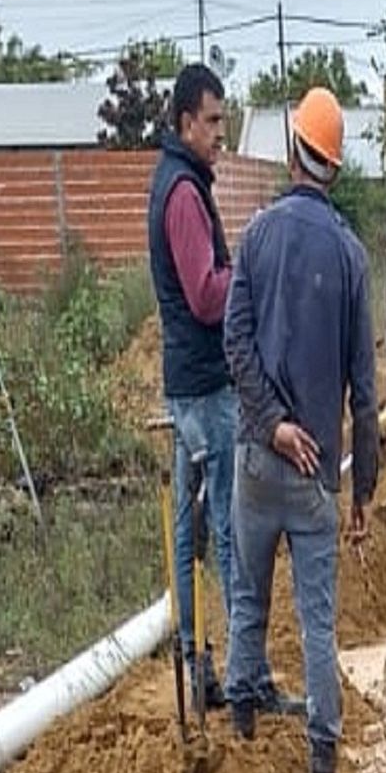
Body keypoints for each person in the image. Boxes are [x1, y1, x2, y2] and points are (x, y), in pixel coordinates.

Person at [223, 86, 378, 773]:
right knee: (317, 624)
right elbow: (365, 389)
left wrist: (271, 422)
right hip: (317, 477)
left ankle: (242, 737)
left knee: (248, 600)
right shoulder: (349, 256)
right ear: (335, 167)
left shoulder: (255, 237)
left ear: (292, 153)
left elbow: (236, 343)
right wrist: (363, 493)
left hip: (257, 460)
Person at [146, 63, 240, 710]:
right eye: (211, 122)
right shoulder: (182, 194)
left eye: (223, 122)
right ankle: (235, 666)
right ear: (185, 122)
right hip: (204, 388)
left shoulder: (179, 183)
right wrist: (247, 275)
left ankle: (198, 656)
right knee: (224, 527)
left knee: (190, 527)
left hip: (193, 383)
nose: (220, 134)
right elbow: (206, 297)